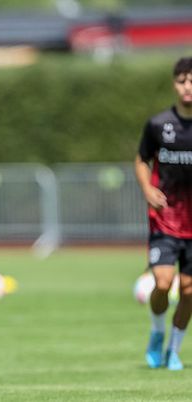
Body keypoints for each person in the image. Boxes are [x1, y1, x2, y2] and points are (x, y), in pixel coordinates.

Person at [135, 56, 192, 371]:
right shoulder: (158, 125)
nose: (188, 87)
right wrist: (146, 189)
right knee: (162, 282)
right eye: (182, 81)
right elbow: (142, 159)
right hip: (166, 222)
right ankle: (158, 332)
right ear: (175, 84)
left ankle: (174, 349)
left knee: (188, 290)